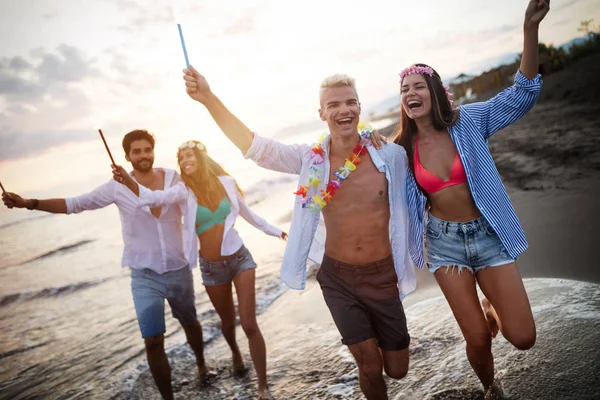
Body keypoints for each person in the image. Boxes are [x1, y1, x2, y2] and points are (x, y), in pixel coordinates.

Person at [177, 66, 414, 400]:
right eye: (333, 105)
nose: (343, 110)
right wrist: (208, 99)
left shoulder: (389, 155)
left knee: (397, 369)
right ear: (322, 113)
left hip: (382, 274)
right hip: (338, 278)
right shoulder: (310, 159)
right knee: (369, 367)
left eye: (350, 102)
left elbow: (422, 180)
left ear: (360, 108)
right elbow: (255, 147)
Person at [393, 1, 550, 398]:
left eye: (418, 86)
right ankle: (490, 386)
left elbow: (522, 95)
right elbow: (361, 176)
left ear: (433, 92)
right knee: (477, 339)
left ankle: (492, 303)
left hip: (489, 236)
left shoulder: (469, 121)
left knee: (523, 337)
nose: (411, 93)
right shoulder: (400, 149)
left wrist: (529, 29)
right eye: (404, 89)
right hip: (445, 246)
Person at [1, 130, 209, 400]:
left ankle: (202, 365)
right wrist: (30, 203)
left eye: (147, 149)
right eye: (137, 151)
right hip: (144, 275)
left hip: (178, 268)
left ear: (153, 151)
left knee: (190, 322)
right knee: (153, 339)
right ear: (127, 156)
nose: (143, 155)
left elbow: (158, 206)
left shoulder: (174, 178)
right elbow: (76, 203)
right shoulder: (116, 187)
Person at [112, 139, 287, 400]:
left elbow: (250, 215)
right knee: (228, 323)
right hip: (211, 267)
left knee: (249, 323)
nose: (184, 160)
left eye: (189, 155)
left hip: (239, 257)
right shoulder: (183, 192)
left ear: (201, 157)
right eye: (180, 157)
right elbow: (153, 197)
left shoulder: (226, 183)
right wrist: (129, 182)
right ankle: (235, 353)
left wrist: (279, 231)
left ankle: (263, 388)